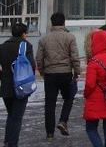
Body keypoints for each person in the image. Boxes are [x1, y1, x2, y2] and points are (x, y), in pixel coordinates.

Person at [35, 12, 81, 140]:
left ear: (52, 23)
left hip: (50, 74)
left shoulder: (44, 39)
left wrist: (42, 71)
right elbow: (74, 57)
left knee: (50, 103)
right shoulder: (70, 37)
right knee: (69, 97)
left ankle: (50, 133)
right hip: (65, 73)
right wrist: (77, 72)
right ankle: (63, 121)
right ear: (63, 22)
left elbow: (39, 58)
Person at [0, 23, 35, 147]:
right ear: (23, 34)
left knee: (11, 115)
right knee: (17, 117)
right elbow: (31, 65)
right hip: (21, 87)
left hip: (6, 87)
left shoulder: (2, 46)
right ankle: (12, 144)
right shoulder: (26, 46)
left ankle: (7, 141)